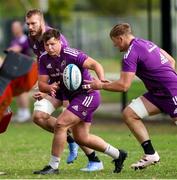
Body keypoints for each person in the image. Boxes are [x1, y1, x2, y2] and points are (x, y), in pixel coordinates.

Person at [33, 28, 127, 175]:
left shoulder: (71, 54)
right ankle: (118, 155)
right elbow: (42, 84)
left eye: (53, 44)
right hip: (65, 93)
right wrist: (48, 87)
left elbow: (96, 65)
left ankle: (53, 166)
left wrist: (101, 80)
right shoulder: (44, 59)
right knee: (82, 137)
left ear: (59, 42)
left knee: (60, 124)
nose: (50, 48)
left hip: (86, 94)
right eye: (47, 45)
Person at [83, 23, 177, 170]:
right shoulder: (147, 43)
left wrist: (100, 85)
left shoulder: (130, 55)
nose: (115, 46)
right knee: (130, 114)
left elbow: (124, 86)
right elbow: (171, 61)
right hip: (158, 94)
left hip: (172, 93)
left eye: (114, 42)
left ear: (120, 39)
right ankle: (150, 154)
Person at [25, 9, 104, 171]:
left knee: (67, 124)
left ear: (42, 22)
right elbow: (43, 63)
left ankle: (93, 159)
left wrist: (65, 100)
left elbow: (68, 71)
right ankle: (70, 140)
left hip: (71, 87)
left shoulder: (57, 40)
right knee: (39, 116)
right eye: (28, 24)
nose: (30, 27)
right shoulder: (31, 39)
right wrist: (46, 87)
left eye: (33, 23)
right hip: (55, 87)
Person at [7, 21, 31, 122]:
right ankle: (21, 112)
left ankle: (26, 113)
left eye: (16, 27)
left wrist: (9, 50)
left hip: (23, 67)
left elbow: (15, 50)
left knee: (23, 91)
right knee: (17, 90)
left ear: (21, 27)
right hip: (15, 68)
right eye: (13, 27)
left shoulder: (23, 38)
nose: (14, 29)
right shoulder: (14, 39)